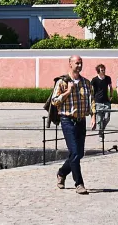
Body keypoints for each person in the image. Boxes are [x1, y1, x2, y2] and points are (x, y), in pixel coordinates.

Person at [47, 55, 94, 194]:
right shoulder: (62, 82)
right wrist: (68, 91)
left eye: (81, 63)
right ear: (70, 64)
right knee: (74, 152)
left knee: (79, 153)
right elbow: (55, 101)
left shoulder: (86, 82)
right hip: (67, 120)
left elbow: (91, 100)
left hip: (81, 120)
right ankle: (79, 184)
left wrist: (93, 116)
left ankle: (61, 173)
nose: (79, 65)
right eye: (77, 63)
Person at [90, 64, 113, 135]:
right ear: (98, 71)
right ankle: (101, 134)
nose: (103, 71)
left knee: (107, 118)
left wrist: (111, 95)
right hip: (98, 102)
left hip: (106, 101)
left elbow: (111, 87)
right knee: (99, 120)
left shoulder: (108, 78)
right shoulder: (94, 80)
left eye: (104, 70)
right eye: (102, 70)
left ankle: (101, 130)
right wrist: (92, 99)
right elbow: (90, 89)